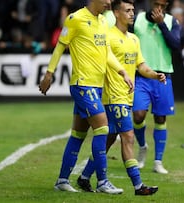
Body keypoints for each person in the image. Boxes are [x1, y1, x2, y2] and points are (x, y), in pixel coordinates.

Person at [38, 0, 133, 194]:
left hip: (96, 87)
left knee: (78, 134)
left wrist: (122, 71)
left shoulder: (104, 22)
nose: (109, 2)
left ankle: (62, 180)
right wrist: (49, 73)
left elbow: (106, 53)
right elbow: (60, 46)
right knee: (103, 128)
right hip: (83, 84)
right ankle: (102, 182)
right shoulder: (75, 19)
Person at [76, 0, 163, 195]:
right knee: (128, 137)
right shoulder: (108, 36)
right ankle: (139, 186)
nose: (132, 14)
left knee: (109, 139)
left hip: (126, 96)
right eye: (128, 10)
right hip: (113, 96)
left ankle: (84, 177)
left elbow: (141, 65)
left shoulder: (133, 39)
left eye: (133, 10)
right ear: (116, 13)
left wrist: (155, 74)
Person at [131, 0, 181, 174]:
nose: (159, 8)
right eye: (156, 4)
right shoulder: (137, 20)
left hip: (163, 76)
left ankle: (158, 161)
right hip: (141, 76)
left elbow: (175, 45)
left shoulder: (171, 21)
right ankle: (142, 146)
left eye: (163, 5)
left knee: (160, 118)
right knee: (138, 115)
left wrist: (162, 25)